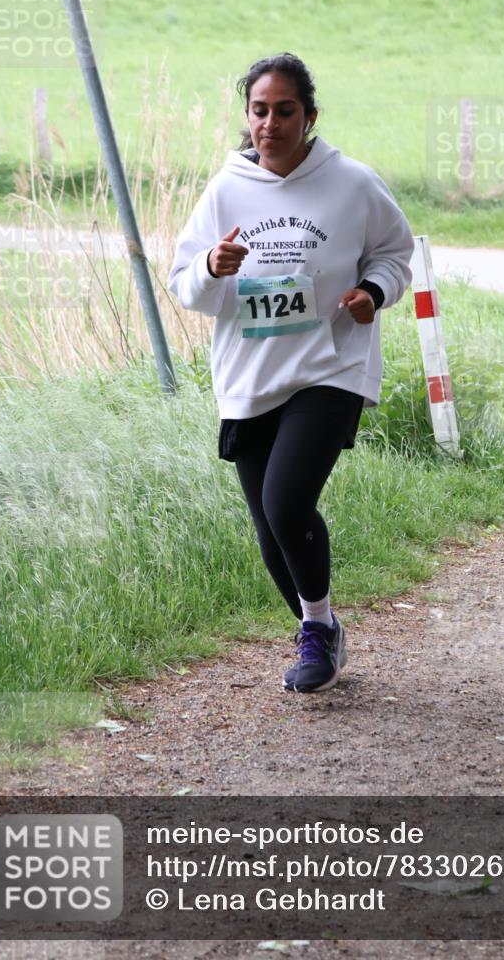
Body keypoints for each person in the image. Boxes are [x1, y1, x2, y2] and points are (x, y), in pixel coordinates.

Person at [169, 53, 414, 694]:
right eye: (259, 110)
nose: (270, 123)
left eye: (284, 111)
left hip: (330, 367)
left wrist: (372, 291)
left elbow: (396, 251)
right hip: (251, 375)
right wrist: (212, 269)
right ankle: (320, 628)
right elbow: (185, 287)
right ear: (246, 115)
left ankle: (315, 631)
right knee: (270, 526)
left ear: (309, 116)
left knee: (286, 501)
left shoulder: (354, 184)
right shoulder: (223, 190)